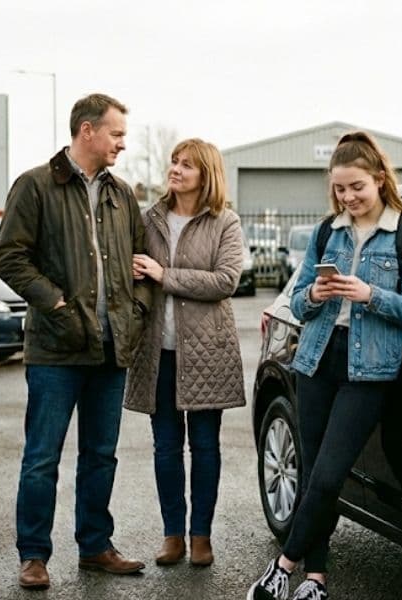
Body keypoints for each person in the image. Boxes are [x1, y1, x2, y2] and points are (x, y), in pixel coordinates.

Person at [247, 131, 402, 600]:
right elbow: (299, 300)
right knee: (312, 474)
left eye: (357, 187)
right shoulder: (328, 231)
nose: (348, 197)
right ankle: (316, 579)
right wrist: (313, 294)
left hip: (369, 368)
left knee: (331, 475)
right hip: (318, 357)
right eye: (340, 189)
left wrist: (371, 295)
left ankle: (282, 566)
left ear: (379, 179)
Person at [0, 93, 154, 591]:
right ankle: (34, 555)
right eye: (116, 134)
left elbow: (142, 262)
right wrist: (58, 305)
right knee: (42, 455)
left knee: (101, 454)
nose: (122, 144)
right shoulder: (36, 185)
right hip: (56, 349)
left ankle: (95, 546)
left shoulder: (121, 194)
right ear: (87, 131)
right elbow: (10, 258)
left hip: (111, 348)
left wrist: (137, 310)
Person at [124, 138, 246, 569]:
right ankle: (172, 535)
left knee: (206, 446)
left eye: (187, 165)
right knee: (165, 448)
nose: (176, 169)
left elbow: (226, 281)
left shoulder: (224, 222)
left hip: (207, 352)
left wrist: (164, 274)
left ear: (205, 174)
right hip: (158, 352)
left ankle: (202, 537)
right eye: (174, 162)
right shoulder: (149, 219)